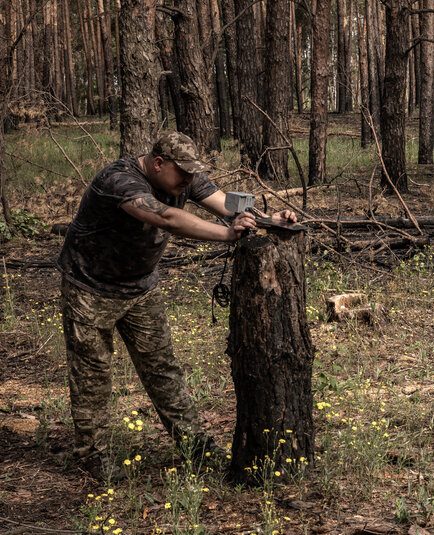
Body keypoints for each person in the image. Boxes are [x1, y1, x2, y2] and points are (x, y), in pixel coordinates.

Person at [56, 132, 297, 480]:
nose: (188, 182)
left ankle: (193, 447)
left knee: (163, 369)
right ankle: (92, 455)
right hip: (90, 288)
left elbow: (225, 204)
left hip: (140, 287)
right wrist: (227, 234)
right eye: (182, 175)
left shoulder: (184, 177)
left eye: (191, 176)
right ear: (158, 164)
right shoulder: (119, 180)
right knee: (92, 374)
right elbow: (168, 218)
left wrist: (267, 220)